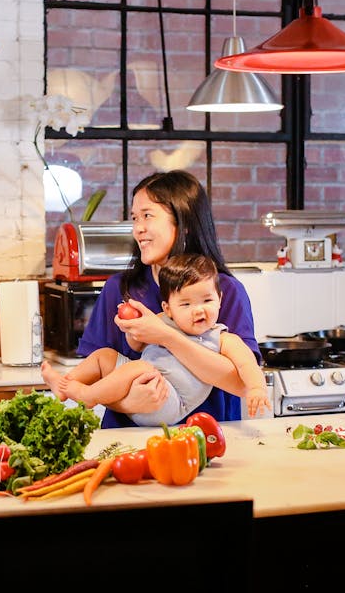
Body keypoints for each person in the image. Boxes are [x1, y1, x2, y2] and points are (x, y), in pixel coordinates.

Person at [76, 170, 266, 428]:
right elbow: (94, 377)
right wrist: (129, 404)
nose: (138, 228)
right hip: (126, 440)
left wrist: (165, 336)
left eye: (147, 216)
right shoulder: (120, 288)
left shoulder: (225, 291)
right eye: (135, 218)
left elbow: (241, 383)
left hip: (206, 439)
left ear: (184, 222)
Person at [43, 253, 268, 423]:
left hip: (171, 401)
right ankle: (67, 384)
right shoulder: (163, 320)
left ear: (220, 298)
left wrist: (257, 389)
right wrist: (132, 329)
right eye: (186, 304)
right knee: (104, 357)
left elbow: (248, 365)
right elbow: (137, 344)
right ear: (168, 308)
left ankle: (88, 395)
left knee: (141, 368)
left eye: (207, 301)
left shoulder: (222, 337)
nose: (198, 310)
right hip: (142, 388)